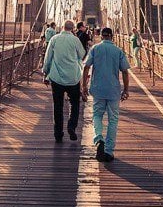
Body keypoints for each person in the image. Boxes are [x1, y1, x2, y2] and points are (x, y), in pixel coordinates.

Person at [81, 27, 129, 162]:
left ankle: (99, 139)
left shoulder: (95, 49)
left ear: (101, 36)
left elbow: (86, 67)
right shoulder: (118, 51)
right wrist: (126, 90)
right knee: (113, 120)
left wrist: (84, 86)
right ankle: (108, 151)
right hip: (113, 90)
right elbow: (125, 71)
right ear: (112, 37)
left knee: (97, 115)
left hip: (98, 89)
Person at [42, 19, 86, 142]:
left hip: (56, 78)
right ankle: (71, 126)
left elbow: (48, 58)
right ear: (72, 29)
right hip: (73, 77)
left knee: (58, 106)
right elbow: (82, 54)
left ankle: (58, 134)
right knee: (75, 104)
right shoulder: (75, 40)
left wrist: (45, 73)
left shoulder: (54, 39)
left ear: (62, 27)